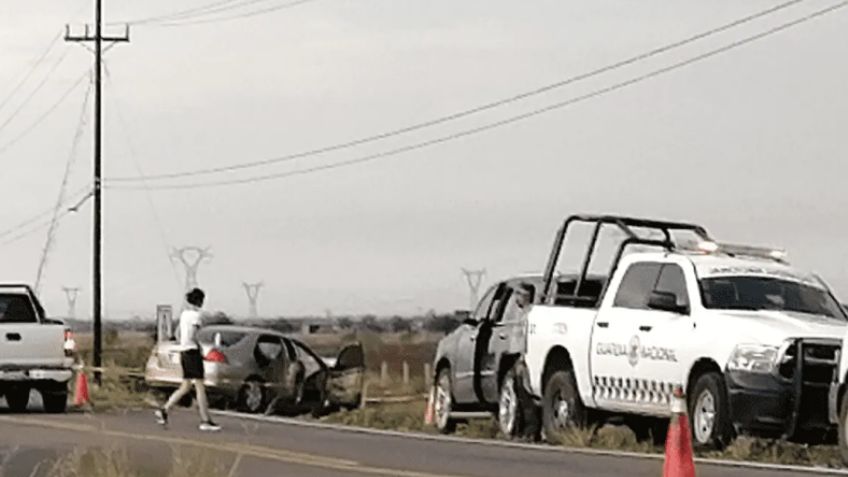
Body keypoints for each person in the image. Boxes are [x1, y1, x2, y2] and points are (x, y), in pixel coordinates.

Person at [155, 288, 221, 432]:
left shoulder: (184, 315)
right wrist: (199, 346)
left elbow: (179, 333)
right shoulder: (196, 316)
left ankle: (165, 409)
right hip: (192, 352)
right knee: (199, 386)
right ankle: (205, 420)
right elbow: (193, 334)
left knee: (185, 386)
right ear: (199, 301)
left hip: (184, 352)